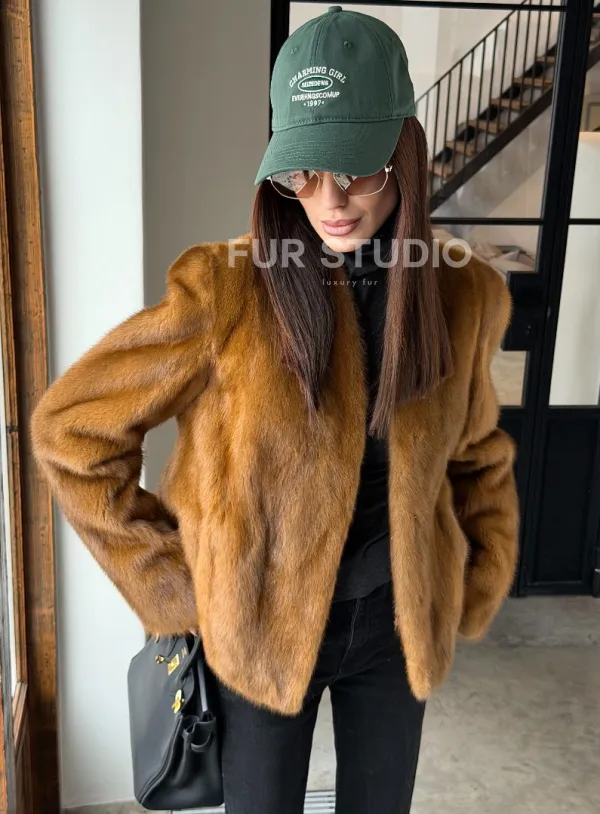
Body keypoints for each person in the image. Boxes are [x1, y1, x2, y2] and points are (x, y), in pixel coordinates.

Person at [30, 6, 519, 814]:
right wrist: (177, 589)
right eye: (302, 173)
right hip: (257, 630)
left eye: (358, 169)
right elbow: (72, 431)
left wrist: (478, 572)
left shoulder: (463, 295)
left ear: (404, 150)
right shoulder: (225, 290)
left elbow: (475, 451)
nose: (330, 200)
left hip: (395, 627)